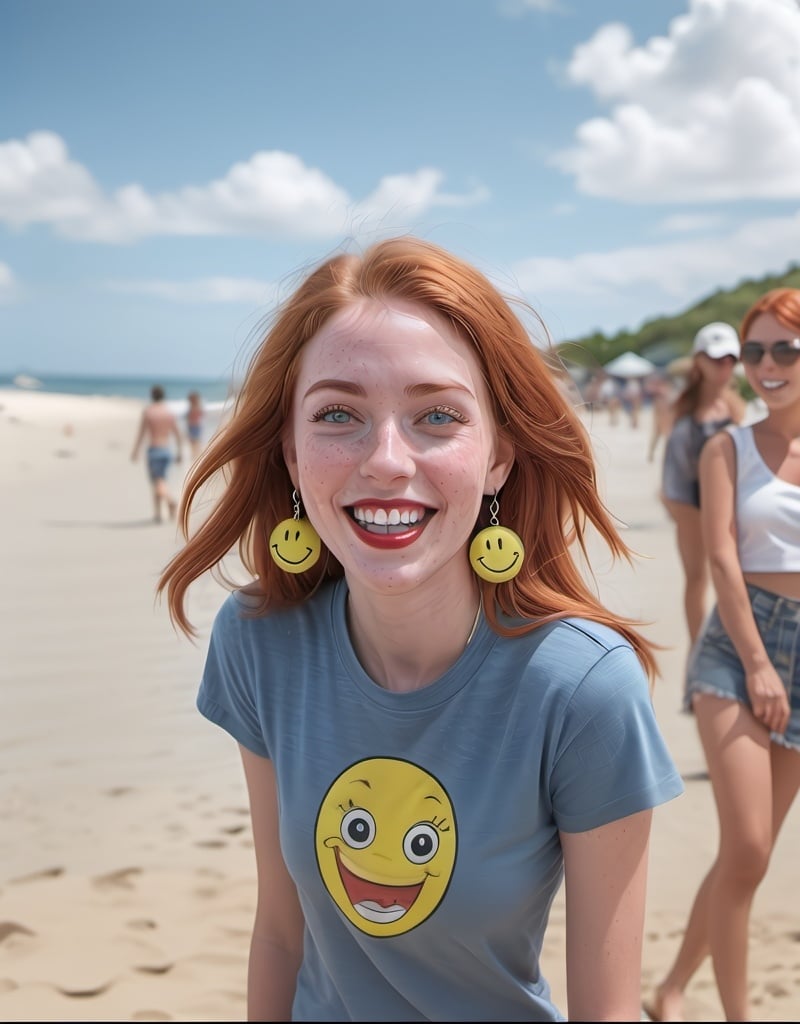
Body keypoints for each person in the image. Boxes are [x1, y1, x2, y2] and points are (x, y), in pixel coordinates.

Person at [157, 236, 683, 1022]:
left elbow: (605, 1011)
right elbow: (279, 933)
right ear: (293, 457)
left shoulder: (580, 688)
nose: (387, 461)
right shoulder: (260, 642)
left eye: (437, 415)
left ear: (499, 456)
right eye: (339, 414)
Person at [646, 289, 800, 1022]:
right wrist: (760, 662)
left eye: (785, 350)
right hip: (738, 650)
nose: (767, 366)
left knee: (753, 857)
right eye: (757, 351)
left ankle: (672, 988)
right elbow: (721, 558)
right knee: (744, 844)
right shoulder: (724, 446)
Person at [660, 323, 747, 645]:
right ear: (698, 360)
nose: (723, 366)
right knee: (698, 577)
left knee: (731, 575)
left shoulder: (736, 407)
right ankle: (699, 648)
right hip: (691, 502)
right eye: (715, 358)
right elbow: (675, 474)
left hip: (729, 502)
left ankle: (731, 641)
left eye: (729, 359)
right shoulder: (684, 412)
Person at [130, 384, 183, 523]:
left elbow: (141, 434)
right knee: (161, 481)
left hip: (154, 450)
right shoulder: (169, 412)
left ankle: (170, 501)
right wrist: (180, 452)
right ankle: (158, 514)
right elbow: (177, 434)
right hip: (167, 450)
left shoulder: (148, 412)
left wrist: (135, 451)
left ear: (152, 395)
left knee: (157, 482)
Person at [185, 390, 205, 460]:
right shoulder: (198, 406)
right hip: (196, 425)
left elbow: (188, 418)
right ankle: (196, 455)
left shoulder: (192, 407)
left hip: (193, 426)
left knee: (194, 442)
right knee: (196, 442)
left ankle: (195, 456)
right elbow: (202, 414)